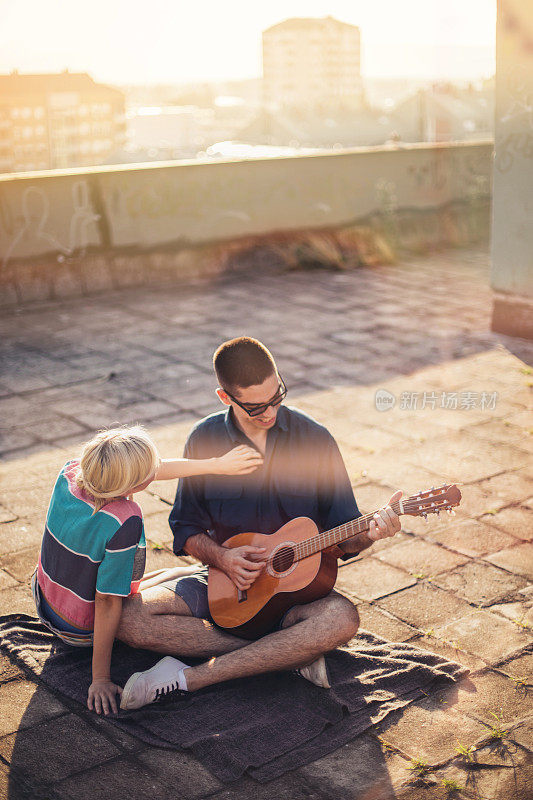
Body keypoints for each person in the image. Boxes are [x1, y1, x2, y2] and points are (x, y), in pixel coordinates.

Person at [118, 338, 401, 711]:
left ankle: (188, 678)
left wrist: (370, 535)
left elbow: (346, 533)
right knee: (130, 621)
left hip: (296, 599)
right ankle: (290, 653)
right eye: (255, 407)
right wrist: (222, 557)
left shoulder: (314, 439)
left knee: (342, 620)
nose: (269, 412)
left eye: (276, 396)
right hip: (227, 588)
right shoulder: (205, 439)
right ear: (225, 398)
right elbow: (185, 528)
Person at [33, 425, 262, 716]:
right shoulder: (122, 520)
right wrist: (100, 679)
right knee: (138, 593)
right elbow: (107, 601)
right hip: (78, 629)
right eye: (148, 474)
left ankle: (202, 578)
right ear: (133, 485)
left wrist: (217, 465)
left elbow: (147, 469)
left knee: (172, 576)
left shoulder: (73, 471)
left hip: (45, 599)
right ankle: (252, 633)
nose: (156, 472)